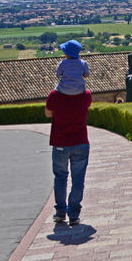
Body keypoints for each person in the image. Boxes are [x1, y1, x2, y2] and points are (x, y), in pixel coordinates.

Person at [45, 87, 93, 226]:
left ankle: (60, 213)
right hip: (81, 142)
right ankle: (73, 214)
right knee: (78, 179)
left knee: (60, 177)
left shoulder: (54, 95)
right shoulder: (86, 95)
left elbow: (48, 113)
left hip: (60, 143)